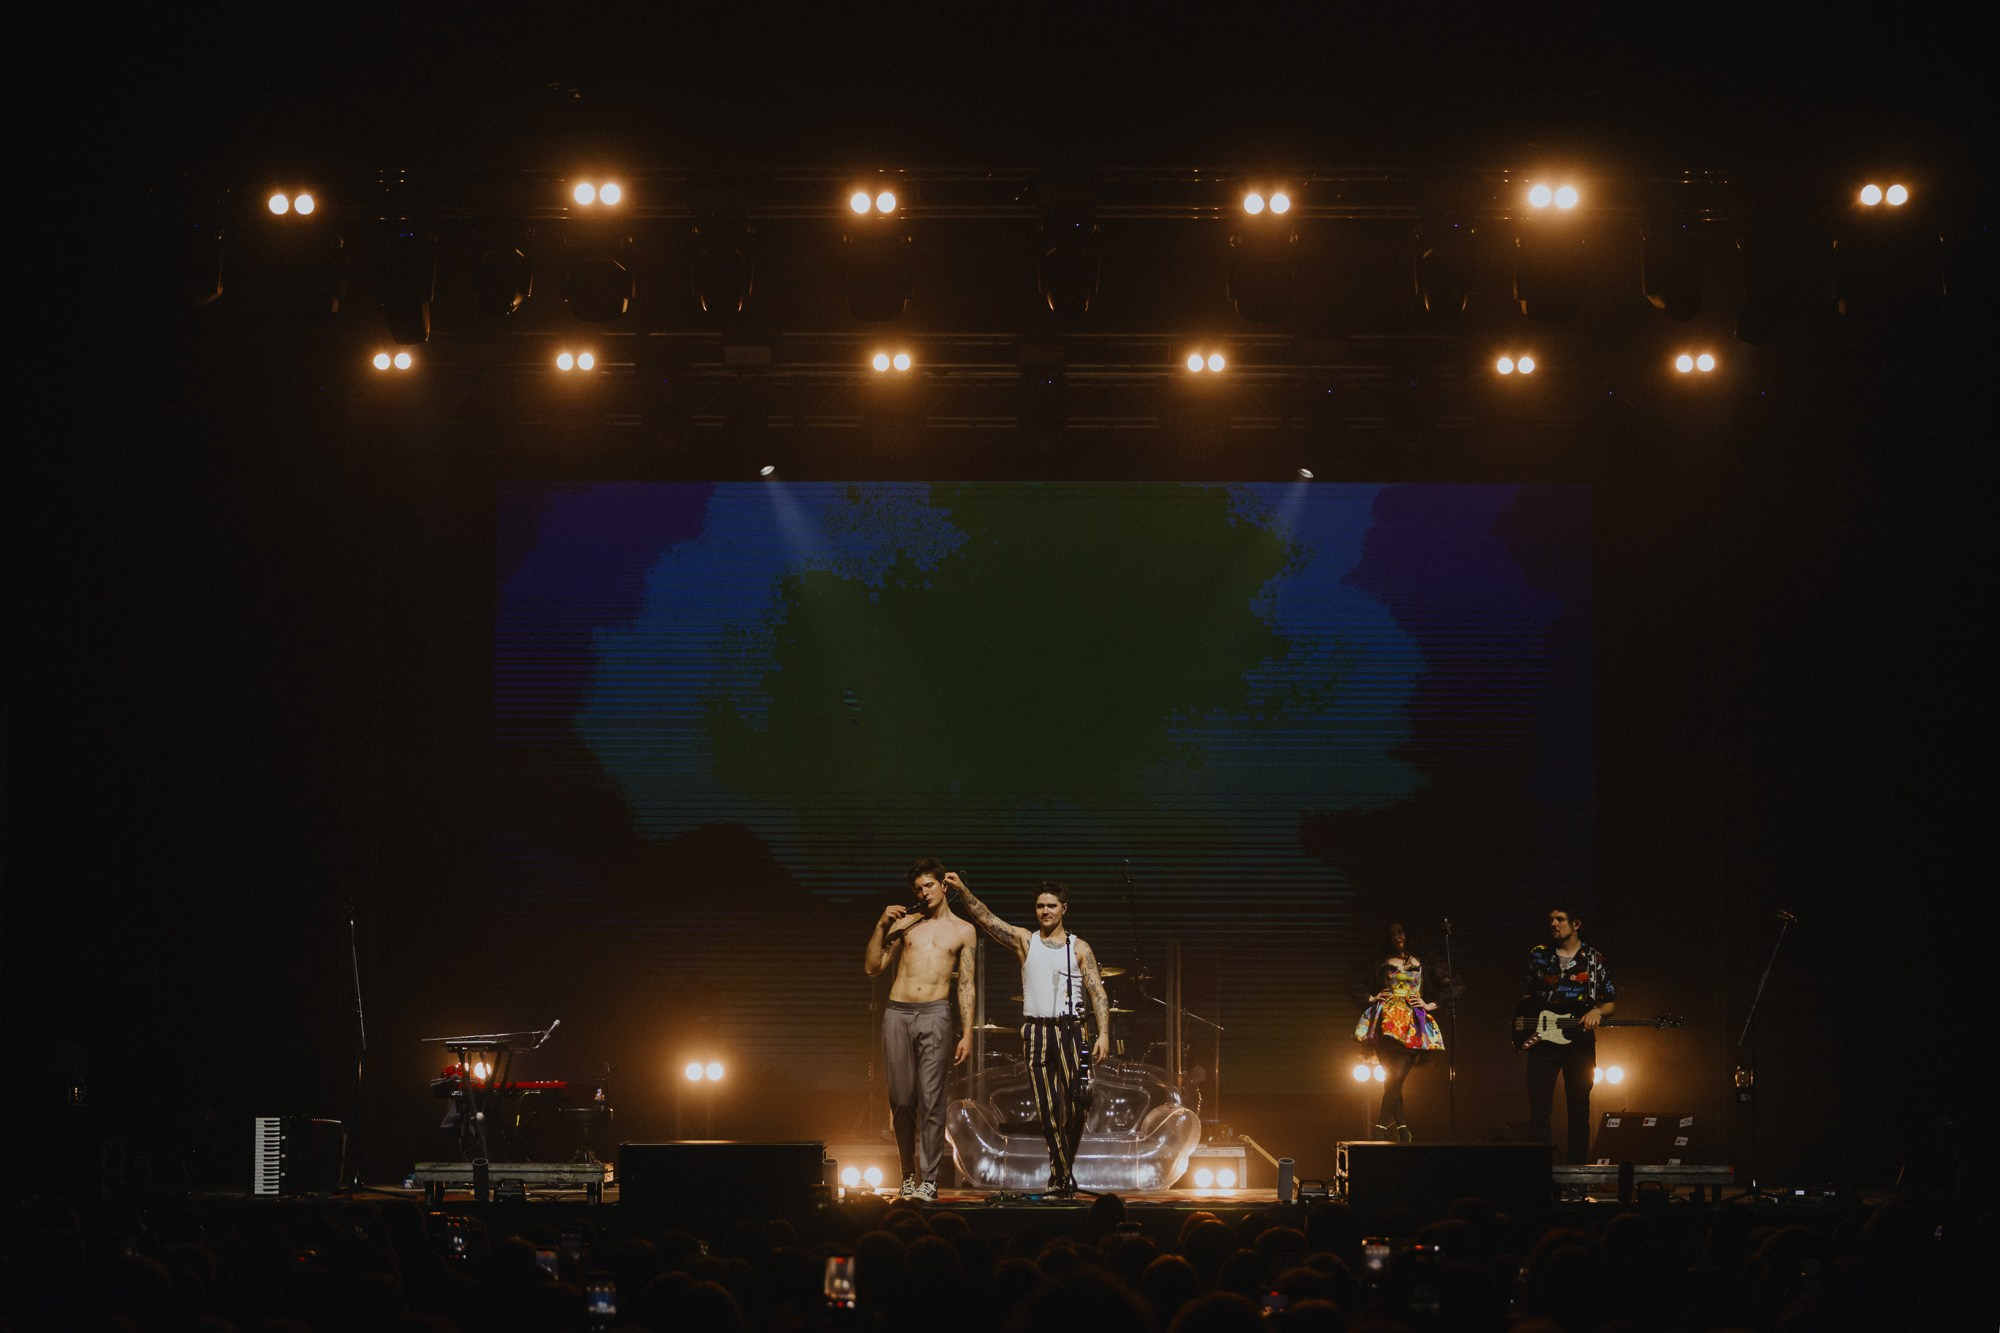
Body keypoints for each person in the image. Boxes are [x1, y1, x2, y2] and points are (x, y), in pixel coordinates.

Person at [948, 873, 1110, 1196]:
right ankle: (1061, 1177)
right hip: (1037, 1031)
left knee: (1078, 1105)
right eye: (1040, 906)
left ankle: (1062, 1172)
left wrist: (1103, 1032)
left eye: (1051, 906)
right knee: (1048, 1108)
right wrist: (963, 891)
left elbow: (1097, 992)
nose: (1045, 911)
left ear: (1064, 908)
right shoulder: (1026, 940)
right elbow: (988, 920)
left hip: (1071, 1030)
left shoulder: (1079, 948)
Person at [863, 857, 977, 1202]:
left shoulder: (963, 930)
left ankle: (929, 1179)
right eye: (917, 888)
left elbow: (966, 984)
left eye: (929, 885)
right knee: (900, 1099)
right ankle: (907, 1175)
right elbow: (873, 967)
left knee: (932, 1100)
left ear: (944, 886)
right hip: (898, 1013)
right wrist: (881, 924)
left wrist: (967, 1032)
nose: (924, 892)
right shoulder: (906, 924)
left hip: (935, 1014)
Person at [1521, 903, 1617, 1164]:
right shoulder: (1539, 955)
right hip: (1543, 1042)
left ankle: (1577, 1173)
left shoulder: (1594, 959)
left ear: (1576, 924)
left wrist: (1597, 1011)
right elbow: (1528, 994)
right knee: (1539, 1110)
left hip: (1578, 1043)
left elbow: (1610, 1002)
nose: (1554, 924)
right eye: (1551, 919)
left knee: (1579, 1109)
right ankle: (1539, 1169)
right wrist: (1525, 1024)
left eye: (1560, 919)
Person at [1352, 921, 1444, 1140]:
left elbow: (1451, 985)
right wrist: (1371, 997)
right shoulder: (1381, 961)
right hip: (1386, 1024)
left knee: (1396, 1076)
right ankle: (1403, 1130)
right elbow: (1353, 981)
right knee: (1391, 1080)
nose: (1396, 936)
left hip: (1412, 1024)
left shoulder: (1423, 962)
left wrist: (1431, 1004)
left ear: (1409, 933)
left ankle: (1380, 1127)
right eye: (1392, 933)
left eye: (1400, 931)